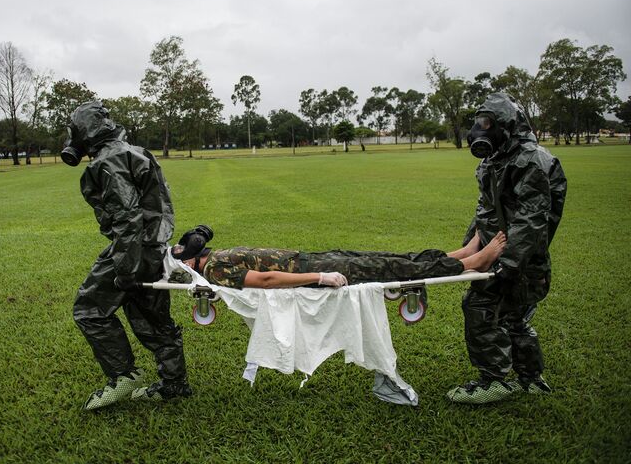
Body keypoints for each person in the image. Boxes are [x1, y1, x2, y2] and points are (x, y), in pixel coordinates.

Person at [62, 101, 190, 409]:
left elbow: (127, 217)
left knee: (89, 309)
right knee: (152, 319)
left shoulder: (109, 160)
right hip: (153, 247)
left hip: (133, 248)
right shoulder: (134, 151)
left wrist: (126, 269)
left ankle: (123, 375)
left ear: (84, 131)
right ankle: (174, 383)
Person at [446, 92, 567, 404]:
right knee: (513, 317)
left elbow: (532, 219)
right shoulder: (493, 162)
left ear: (507, 125)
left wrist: (506, 265)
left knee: (479, 307)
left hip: (523, 260)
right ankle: (531, 378)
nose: (479, 130)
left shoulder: (532, 161)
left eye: (487, 123)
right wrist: (470, 253)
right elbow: (484, 213)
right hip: (503, 254)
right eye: (478, 123)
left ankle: (493, 380)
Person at [171, 225, 507, 289]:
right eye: (183, 252)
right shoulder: (214, 271)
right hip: (311, 269)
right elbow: (266, 280)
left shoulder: (213, 258)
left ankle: (454, 255)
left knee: (385, 257)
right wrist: (319, 277)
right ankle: (469, 264)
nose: (190, 247)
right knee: (387, 269)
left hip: (309, 257)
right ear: (186, 265)